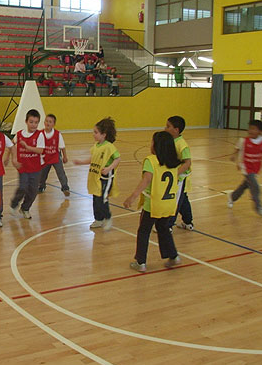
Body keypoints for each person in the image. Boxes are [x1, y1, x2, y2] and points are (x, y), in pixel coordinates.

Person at [124, 131, 182, 272]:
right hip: (169, 204)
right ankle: (173, 256)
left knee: (144, 231)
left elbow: (146, 180)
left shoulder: (151, 161)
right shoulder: (174, 163)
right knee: (163, 229)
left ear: (157, 146)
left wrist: (133, 196)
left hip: (153, 204)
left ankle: (140, 261)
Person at [73, 117, 121, 230]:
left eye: (96, 132)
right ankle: (98, 219)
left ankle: (108, 218)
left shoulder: (109, 147)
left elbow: (117, 159)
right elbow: (93, 159)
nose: (93, 134)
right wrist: (81, 162)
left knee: (102, 198)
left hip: (106, 178)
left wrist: (109, 168)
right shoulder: (95, 146)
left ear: (103, 135)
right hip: (95, 177)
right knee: (95, 198)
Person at [228, 119, 262, 216]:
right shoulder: (244, 141)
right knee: (255, 186)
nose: (251, 131)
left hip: (256, 168)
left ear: (260, 131)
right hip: (246, 167)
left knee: (245, 185)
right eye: (250, 129)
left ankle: (232, 197)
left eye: (254, 129)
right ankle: (258, 207)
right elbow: (237, 149)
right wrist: (234, 156)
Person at [10, 109, 45, 220]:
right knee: (23, 187)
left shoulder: (40, 135)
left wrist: (27, 147)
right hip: (23, 167)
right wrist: (12, 158)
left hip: (35, 168)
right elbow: (11, 145)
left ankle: (25, 208)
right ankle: (14, 203)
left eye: (36, 122)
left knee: (33, 191)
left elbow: (40, 151)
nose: (33, 125)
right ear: (26, 121)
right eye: (31, 122)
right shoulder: (19, 134)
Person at [166, 116, 194, 231]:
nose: (165, 128)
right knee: (183, 199)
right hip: (175, 177)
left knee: (176, 200)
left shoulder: (182, 145)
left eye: (168, 126)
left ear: (176, 130)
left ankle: (168, 225)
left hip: (180, 178)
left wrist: (176, 174)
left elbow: (187, 162)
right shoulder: (172, 141)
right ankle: (188, 222)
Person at [38, 114, 70, 197]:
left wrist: (65, 156)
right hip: (45, 158)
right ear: (44, 122)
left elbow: (62, 146)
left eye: (50, 122)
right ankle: (41, 186)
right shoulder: (40, 134)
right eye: (46, 121)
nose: (48, 123)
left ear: (53, 124)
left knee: (60, 173)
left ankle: (65, 187)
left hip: (55, 157)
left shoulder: (57, 134)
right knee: (42, 174)